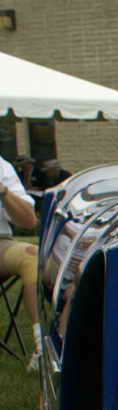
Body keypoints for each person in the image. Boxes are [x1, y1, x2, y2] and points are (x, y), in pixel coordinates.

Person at [0, 156, 41, 371]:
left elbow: (29, 222)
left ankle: (41, 345)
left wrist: (4, 192)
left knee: (31, 255)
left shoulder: (2, 167)